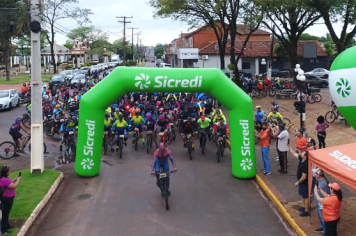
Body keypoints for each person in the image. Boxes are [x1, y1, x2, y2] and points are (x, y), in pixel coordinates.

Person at [288, 143, 309, 217]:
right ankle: (303, 206)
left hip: (304, 183)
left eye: (303, 153)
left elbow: (304, 177)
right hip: (301, 182)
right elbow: (294, 154)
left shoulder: (305, 164)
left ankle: (306, 210)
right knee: (302, 195)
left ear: (305, 157)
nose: (301, 153)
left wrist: (298, 182)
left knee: (305, 196)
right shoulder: (301, 160)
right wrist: (289, 147)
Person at [0, 166, 21, 234]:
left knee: (7, 212)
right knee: (5, 213)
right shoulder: (5, 180)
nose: (10, 172)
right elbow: (14, 186)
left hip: (7, 198)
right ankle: (4, 229)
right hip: (7, 199)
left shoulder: (3, 178)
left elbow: (9, 184)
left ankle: (7, 225)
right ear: (6, 173)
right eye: (9, 171)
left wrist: (14, 179)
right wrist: (18, 180)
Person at [313, 168, 330, 234]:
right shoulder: (318, 180)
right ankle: (322, 227)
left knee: (323, 217)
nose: (314, 174)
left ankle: (326, 231)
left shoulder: (324, 183)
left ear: (318, 175)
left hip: (322, 204)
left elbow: (327, 195)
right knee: (320, 216)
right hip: (318, 202)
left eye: (315, 173)